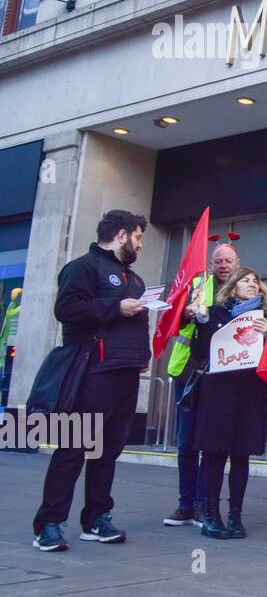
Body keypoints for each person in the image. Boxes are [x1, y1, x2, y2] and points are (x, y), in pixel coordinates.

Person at [32, 211, 150, 552]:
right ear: (122, 235)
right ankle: (49, 524)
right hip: (90, 373)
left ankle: (97, 518)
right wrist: (116, 308)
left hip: (126, 374)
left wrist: (140, 356)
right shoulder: (83, 267)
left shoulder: (134, 279)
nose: (141, 245)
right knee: (72, 450)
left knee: (108, 452)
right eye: (139, 238)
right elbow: (66, 309)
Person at [184, 267, 267, 539]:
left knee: (241, 454)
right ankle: (211, 514)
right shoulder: (214, 312)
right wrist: (200, 323)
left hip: (250, 391)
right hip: (218, 390)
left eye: (255, 280)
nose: (251, 284)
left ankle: (236, 515)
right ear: (233, 287)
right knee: (214, 453)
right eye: (245, 280)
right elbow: (199, 353)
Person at [162, 240, 240, 527]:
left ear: (237, 262)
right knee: (186, 443)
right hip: (188, 372)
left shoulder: (243, 289)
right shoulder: (197, 286)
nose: (222, 265)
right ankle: (186, 504)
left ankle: (206, 505)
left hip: (220, 376)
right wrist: (185, 313)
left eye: (227, 260)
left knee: (211, 443)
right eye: (218, 260)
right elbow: (175, 323)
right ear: (211, 263)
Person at [1, 286, 19, 409]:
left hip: (13, 345)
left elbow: (9, 314)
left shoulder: (15, 309)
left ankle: (5, 401)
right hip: (8, 344)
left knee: (8, 373)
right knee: (7, 373)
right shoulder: (13, 309)